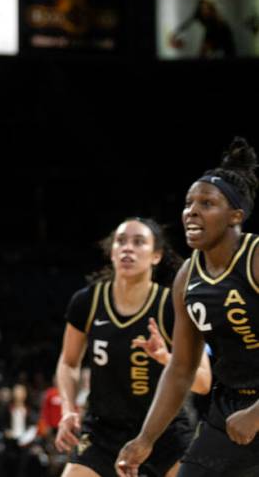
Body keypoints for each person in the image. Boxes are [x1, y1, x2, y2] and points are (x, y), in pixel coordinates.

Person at [117, 138, 259, 477]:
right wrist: (145, 438)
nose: (191, 210)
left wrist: (257, 414)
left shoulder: (255, 259)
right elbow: (181, 367)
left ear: (235, 216)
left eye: (207, 203)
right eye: (188, 203)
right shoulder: (187, 276)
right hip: (229, 406)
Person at [55, 217, 211, 477]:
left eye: (139, 242)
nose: (128, 248)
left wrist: (166, 358)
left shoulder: (173, 306)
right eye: (121, 241)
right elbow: (69, 363)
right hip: (103, 431)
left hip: (165, 432)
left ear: (156, 256)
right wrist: (69, 409)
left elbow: (203, 382)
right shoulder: (87, 301)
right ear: (111, 251)